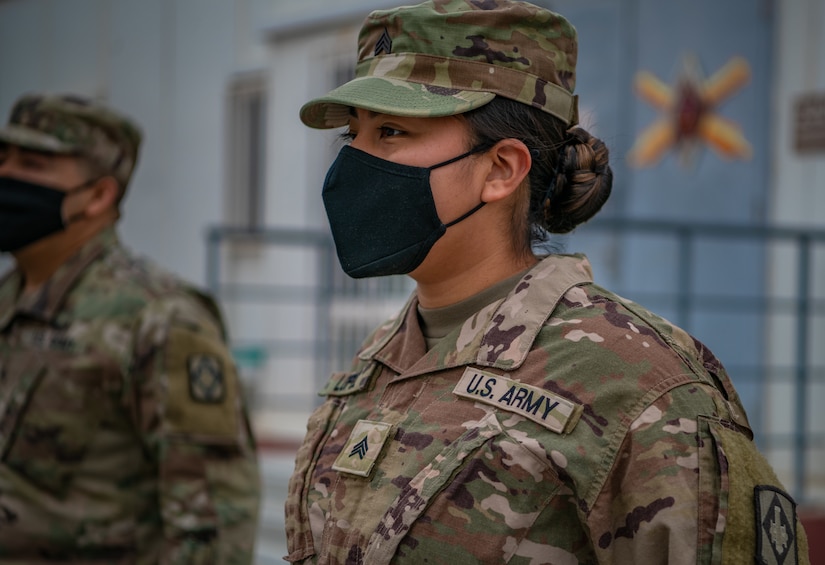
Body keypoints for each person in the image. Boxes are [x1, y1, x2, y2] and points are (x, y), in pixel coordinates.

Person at [284, 1, 811, 564]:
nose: (354, 165)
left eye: (391, 131)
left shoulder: (637, 386)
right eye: (351, 136)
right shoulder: (376, 365)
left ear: (502, 169)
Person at [0, 93, 261, 563]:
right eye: (2, 158)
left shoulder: (160, 318)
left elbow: (214, 527)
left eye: (32, 164)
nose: (5, 176)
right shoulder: (8, 298)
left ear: (99, 195)